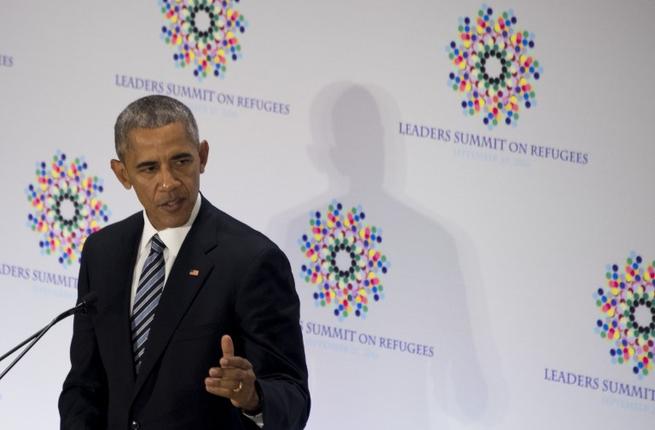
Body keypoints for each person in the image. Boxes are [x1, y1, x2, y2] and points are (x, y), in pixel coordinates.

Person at [58, 95, 310, 430]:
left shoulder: (251, 261)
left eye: (181, 161)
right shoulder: (102, 252)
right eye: (149, 168)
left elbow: (292, 396)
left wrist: (254, 397)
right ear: (122, 174)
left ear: (202, 156)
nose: (169, 182)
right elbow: (84, 383)